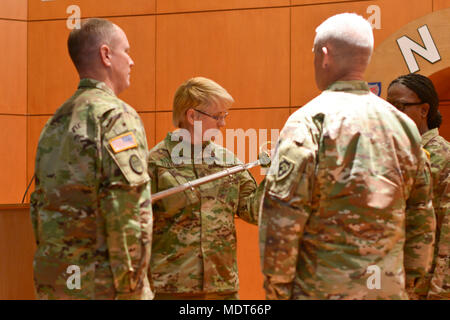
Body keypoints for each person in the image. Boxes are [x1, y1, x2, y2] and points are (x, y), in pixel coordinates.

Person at [259, 13, 436, 300]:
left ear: (325, 55)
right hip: (387, 291)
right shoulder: (403, 127)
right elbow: (421, 215)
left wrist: (276, 289)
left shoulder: (307, 122)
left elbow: (281, 217)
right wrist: (410, 281)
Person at [30, 18, 153, 300]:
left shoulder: (54, 123)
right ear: (106, 55)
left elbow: (39, 209)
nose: (132, 61)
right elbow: (129, 214)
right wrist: (134, 291)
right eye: (127, 51)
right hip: (103, 286)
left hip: (56, 283)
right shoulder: (115, 116)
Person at [148, 77, 262, 300]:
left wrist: (277, 175)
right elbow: (136, 225)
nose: (223, 124)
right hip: (171, 289)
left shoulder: (227, 161)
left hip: (222, 287)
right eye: (218, 116)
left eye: (224, 116)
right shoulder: (155, 163)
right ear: (192, 116)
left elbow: (254, 211)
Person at [387, 73, 449, 300]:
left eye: (399, 106)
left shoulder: (443, 157)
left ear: (424, 110)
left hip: (424, 288)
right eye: (388, 106)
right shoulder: (392, 155)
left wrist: (440, 293)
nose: (391, 113)